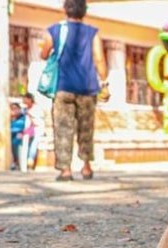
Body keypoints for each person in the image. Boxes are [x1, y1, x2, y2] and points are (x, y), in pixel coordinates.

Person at [40, 0, 108, 181]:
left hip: (63, 87)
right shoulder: (92, 32)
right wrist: (104, 82)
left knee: (63, 128)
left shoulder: (54, 30)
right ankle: (86, 167)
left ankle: (66, 170)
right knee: (86, 129)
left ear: (65, 9)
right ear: (85, 11)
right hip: (87, 87)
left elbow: (44, 53)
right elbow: (99, 59)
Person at [21, 92, 44, 171]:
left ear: (30, 99)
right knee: (26, 145)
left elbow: (38, 121)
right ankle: (24, 163)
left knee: (34, 145)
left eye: (26, 99)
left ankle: (30, 161)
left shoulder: (36, 108)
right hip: (27, 130)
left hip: (37, 129)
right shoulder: (24, 109)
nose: (24, 100)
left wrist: (30, 116)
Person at [9, 102, 27, 171]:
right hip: (11, 135)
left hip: (20, 134)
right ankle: (14, 162)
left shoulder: (23, 117)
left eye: (15, 108)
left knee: (15, 144)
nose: (14, 110)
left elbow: (24, 126)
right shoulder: (10, 118)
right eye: (12, 109)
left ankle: (16, 162)